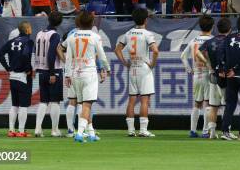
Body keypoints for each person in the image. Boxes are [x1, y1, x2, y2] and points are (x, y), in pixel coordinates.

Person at [63, 11, 110, 143]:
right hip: (89, 73)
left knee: (82, 104)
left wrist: (67, 75)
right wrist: (107, 68)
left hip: (75, 73)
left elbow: (68, 58)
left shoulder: (72, 36)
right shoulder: (95, 36)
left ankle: (91, 133)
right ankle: (79, 133)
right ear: (91, 22)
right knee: (87, 105)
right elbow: (102, 55)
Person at [114, 8, 159, 137]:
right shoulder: (147, 34)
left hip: (132, 68)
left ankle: (130, 130)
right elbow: (155, 51)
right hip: (144, 68)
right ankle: (143, 130)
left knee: (132, 100)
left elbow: (117, 50)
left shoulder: (128, 33)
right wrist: (152, 64)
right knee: (145, 100)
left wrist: (125, 63)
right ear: (146, 20)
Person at [0, 20, 34, 137]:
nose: (31, 29)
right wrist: (28, 69)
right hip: (23, 76)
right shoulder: (28, 41)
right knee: (23, 105)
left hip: (12, 76)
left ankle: (11, 130)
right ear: (27, 29)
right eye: (30, 27)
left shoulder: (12, 41)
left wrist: (7, 68)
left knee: (15, 104)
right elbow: (25, 55)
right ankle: (21, 131)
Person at [180, 15, 214, 138]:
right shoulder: (212, 40)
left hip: (196, 75)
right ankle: (205, 131)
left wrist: (189, 69)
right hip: (207, 74)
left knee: (196, 103)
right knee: (208, 103)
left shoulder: (193, 40)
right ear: (212, 26)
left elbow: (183, 56)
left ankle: (193, 131)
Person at [197, 17, 230, 139]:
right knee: (227, 105)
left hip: (213, 76)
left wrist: (208, 63)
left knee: (213, 105)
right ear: (230, 29)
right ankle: (226, 131)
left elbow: (198, 52)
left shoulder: (211, 41)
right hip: (225, 77)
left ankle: (211, 132)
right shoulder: (230, 41)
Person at [33, 12, 65, 137]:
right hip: (53, 71)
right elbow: (51, 54)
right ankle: (54, 130)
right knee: (55, 101)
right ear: (60, 22)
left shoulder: (40, 33)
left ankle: (37, 129)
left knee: (43, 101)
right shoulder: (55, 35)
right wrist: (52, 73)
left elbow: (36, 51)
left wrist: (36, 67)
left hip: (41, 70)